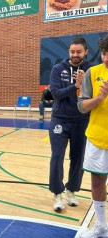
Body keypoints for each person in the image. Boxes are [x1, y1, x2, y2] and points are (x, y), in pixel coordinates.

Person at [49, 37, 94, 212]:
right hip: (60, 119)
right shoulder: (57, 69)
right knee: (57, 156)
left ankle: (71, 191)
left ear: (86, 52)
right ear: (68, 52)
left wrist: (84, 86)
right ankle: (57, 193)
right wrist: (75, 86)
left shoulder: (91, 69)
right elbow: (55, 94)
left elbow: (94, 94)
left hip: (82, 120)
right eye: (72, 52)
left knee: (78, 159)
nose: (75, 55)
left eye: (79, 52)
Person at [76, 35, 108, 238]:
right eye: (105, 54)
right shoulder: (93, 73)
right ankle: (102, 226)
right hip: (97, 138)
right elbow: (82, 106)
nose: (106, 59)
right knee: (97, 181)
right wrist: (100, 97)